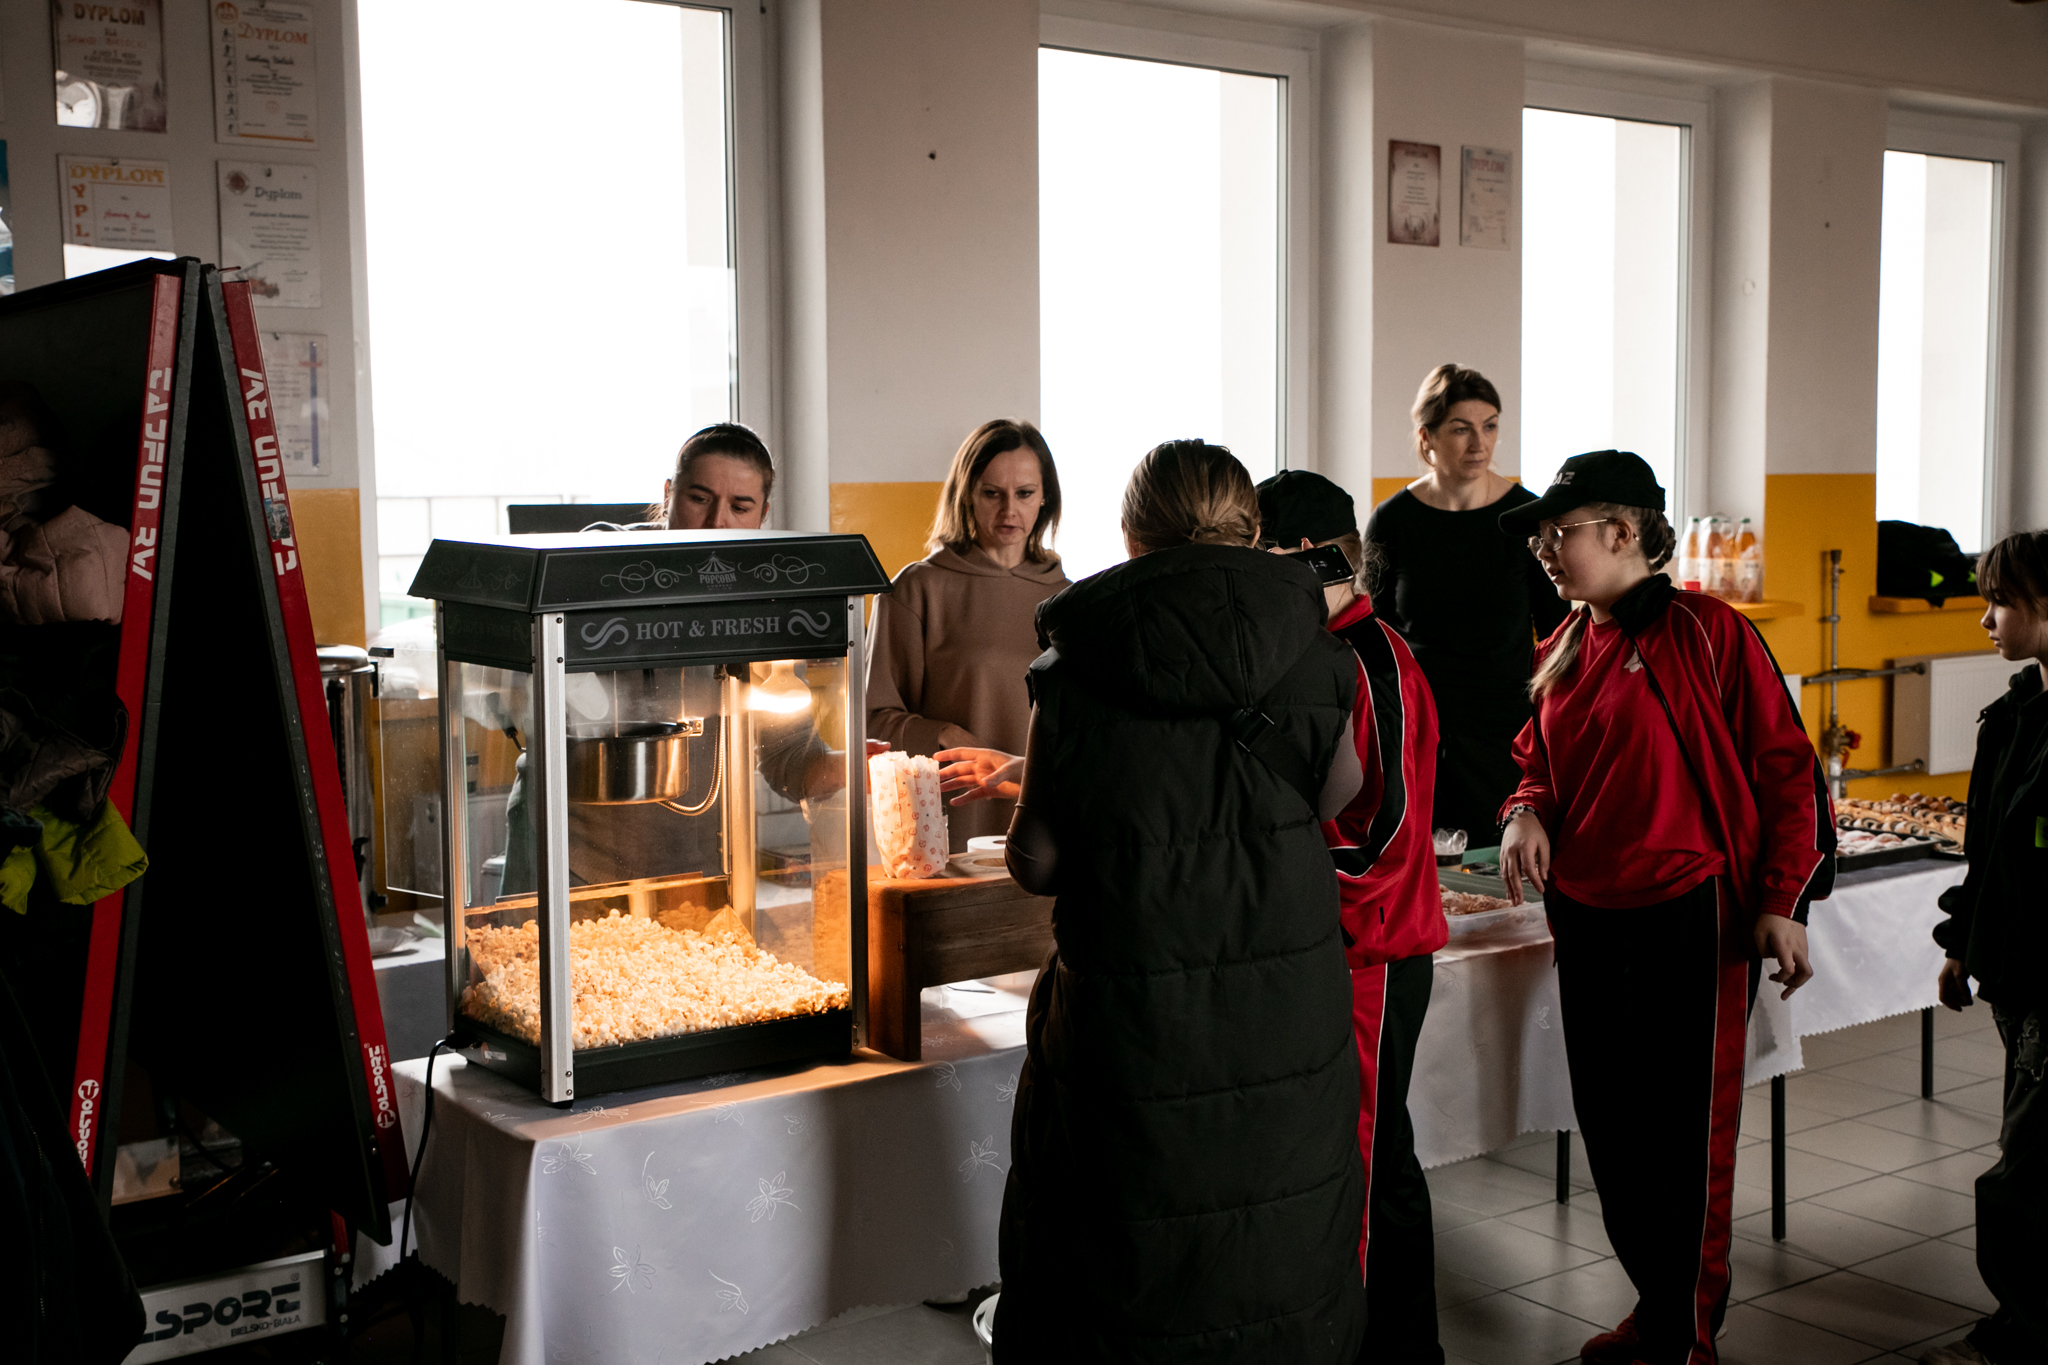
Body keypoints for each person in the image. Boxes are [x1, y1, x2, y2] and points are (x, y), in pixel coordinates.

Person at [987, 440, 1368, 1362]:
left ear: (1131, 533)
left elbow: (1036, 861)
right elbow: (1339, 794)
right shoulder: (1319, 655)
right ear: (1250, 527)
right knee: (1274, 1216)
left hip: (1135, 1010)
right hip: (1284, 1003)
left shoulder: (1073, 669)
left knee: (1126, 1233)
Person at [1495, 450, 1833, 1365]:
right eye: (1538, 536)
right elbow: (1534, 761)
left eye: (1557, 532)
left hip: (1691, 918)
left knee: (1685, 1143)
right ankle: (1657, 1308)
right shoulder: (1565, 643)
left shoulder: (1709, 632)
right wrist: (1525, 809)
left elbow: (1789, 772)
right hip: (1589, 917)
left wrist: (1783, 899)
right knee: (1615, 1135)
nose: (1543, 550)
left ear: (1621, 531)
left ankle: (1687, 1336)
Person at [1257, 469, 1448, 1365]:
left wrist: (1276, 878)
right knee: (1349, 1155)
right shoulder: (1313, 648)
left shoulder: (1375, 658)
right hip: (1329, 944)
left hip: (1372, 947)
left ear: (1309, 557)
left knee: (1371, 1163)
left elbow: (1386, 834)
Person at [1923, 529, 2048, 1365]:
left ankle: (2022, 1334)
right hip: (2016, 974)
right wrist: (1963, 943)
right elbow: (1990, 851)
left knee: (2026, 1170)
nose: (1986, 619)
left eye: (1999, 601)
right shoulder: (2012, 716)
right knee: (2026, 1152)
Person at [1363, 365, 1571, 842]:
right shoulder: (1393, 520)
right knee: (1422, 860)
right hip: (1420, 726)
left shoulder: (1525, 517)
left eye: (1490, 426)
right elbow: (1375, 635)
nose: (1479, 443)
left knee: (1499, 865)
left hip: (1508, 730)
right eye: (1461, 429)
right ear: (1427, 437)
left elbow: (1558, 633)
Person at [866, 419, 1069, 850]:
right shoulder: (916, 589)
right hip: (947, 826)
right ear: (966, 495)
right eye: (992, 493)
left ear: (1045, 498)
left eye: (1024, 493)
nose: (1009, 510)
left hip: (1050, 829)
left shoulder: (1072, 600)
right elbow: (873, 719)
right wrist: (944, 733)